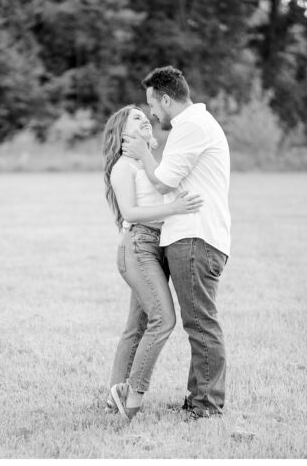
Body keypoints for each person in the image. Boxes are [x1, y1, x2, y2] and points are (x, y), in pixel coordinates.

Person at [120, 66, 231, 419]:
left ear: (166, 99)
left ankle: (206, 406)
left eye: (153, 105)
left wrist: (141, 151)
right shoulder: (194, 125)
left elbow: (164, 181)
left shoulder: (191, 126)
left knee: (200, 324)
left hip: (195, 238)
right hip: (190, 237)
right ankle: (197, 399)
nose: (152, 114)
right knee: (195, 323)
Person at [102, 104, 203, 421]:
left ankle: (114, 396)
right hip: (138, 247)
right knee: (163, 319)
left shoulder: (147, 163)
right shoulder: (123, 167)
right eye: (136, 118)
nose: (145, 119)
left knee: (137, 327)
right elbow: (130, 214)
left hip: (155, 249)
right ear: (122, 132)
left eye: (146, 117)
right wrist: (174, 208)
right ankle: (132, 398)